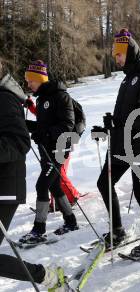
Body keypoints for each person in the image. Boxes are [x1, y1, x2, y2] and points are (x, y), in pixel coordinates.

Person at [95, 29, 140, 257]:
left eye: (119, 54)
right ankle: (117, 230)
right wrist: (111, 123)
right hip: (121, 143)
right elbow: (126, 112)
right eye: (115, 54)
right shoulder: (127, 78)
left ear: (130, 51)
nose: (116, 58)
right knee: (104, 182)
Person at [0, 59, 64, 291]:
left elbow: (18, 141)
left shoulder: (4, 99)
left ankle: (45, 276)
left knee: (49, 186)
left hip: (5, 188)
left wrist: (44, 132)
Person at [20, 60, 79, 243]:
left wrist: (44, 133)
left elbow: (67, 125)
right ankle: (70, 221)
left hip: (59, 150)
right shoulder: (42, 99)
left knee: (41, 185)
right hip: (47, 150)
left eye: (31, 81)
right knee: (53, 185)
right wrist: (21, 123)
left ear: (40, 79)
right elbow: (42, 126)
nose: (28, 84)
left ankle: (39, 230)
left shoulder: (61, 97)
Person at [24, 96, 81, 209]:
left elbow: (57, 120)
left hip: (62, 143)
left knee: (58, 174)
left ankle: (72, 197)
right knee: (53, 176)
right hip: (51, 144)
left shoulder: (58, 98)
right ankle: (55, 203)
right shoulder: (45, 99)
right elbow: (43, 117)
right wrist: (31, 107)